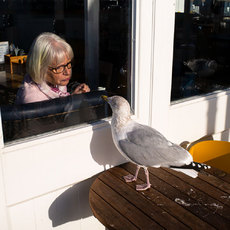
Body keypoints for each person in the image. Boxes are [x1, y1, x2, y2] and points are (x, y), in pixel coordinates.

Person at [15, 32, 90, 104]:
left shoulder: (54, 82)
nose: (67, 72)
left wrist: (73, 97)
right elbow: (56, 116)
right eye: (59, 67)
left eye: (68, 64)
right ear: (41, 68)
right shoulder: (33, 100)